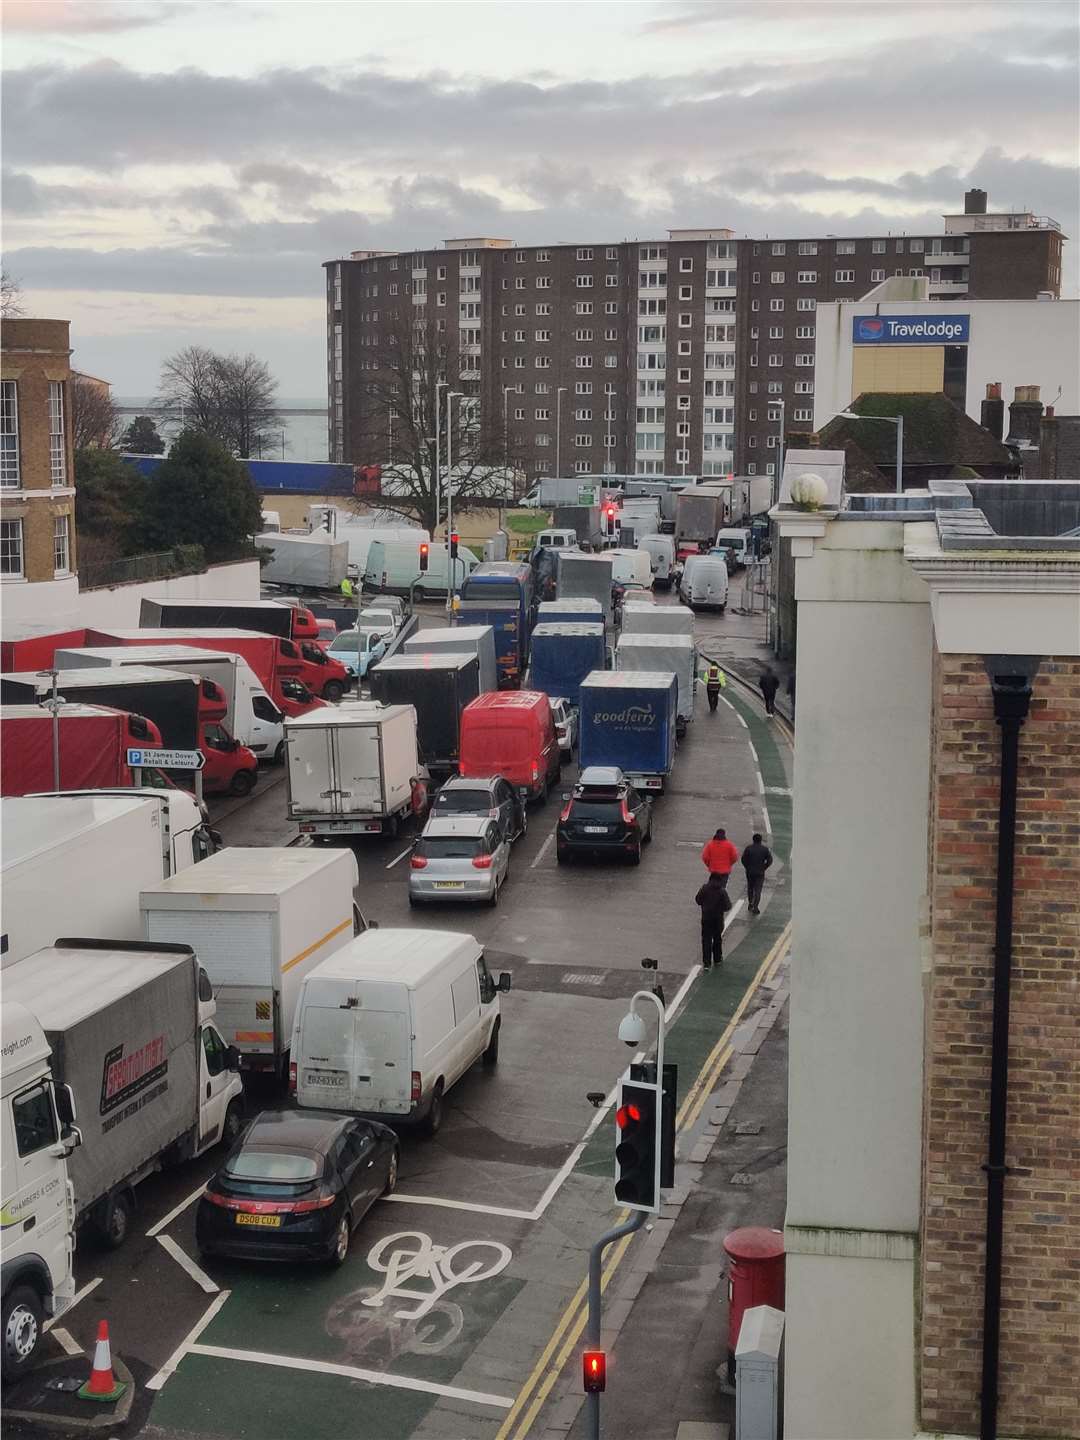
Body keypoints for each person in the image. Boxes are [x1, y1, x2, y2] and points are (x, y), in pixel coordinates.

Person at [695, 872, 732, 969]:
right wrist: (721, 909)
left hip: (706, 917)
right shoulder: (722, 891)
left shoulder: (705, 888)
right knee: (717, 938)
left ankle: (706, 963)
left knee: (706, 940)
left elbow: (698, 900)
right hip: (718, 918)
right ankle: (717, 958)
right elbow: (728, 906)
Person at [741, 832, 773, 916]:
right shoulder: (765, 849)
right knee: (758, 890)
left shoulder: (748, 848)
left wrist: (747, 867)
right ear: (761, 840)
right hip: (760, 872)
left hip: (750, 871)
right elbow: (770, 860)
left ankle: (750, 903)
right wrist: (764, 867)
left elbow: (743, 859)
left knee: (750, 888)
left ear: (753, 840)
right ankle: (756, 907)